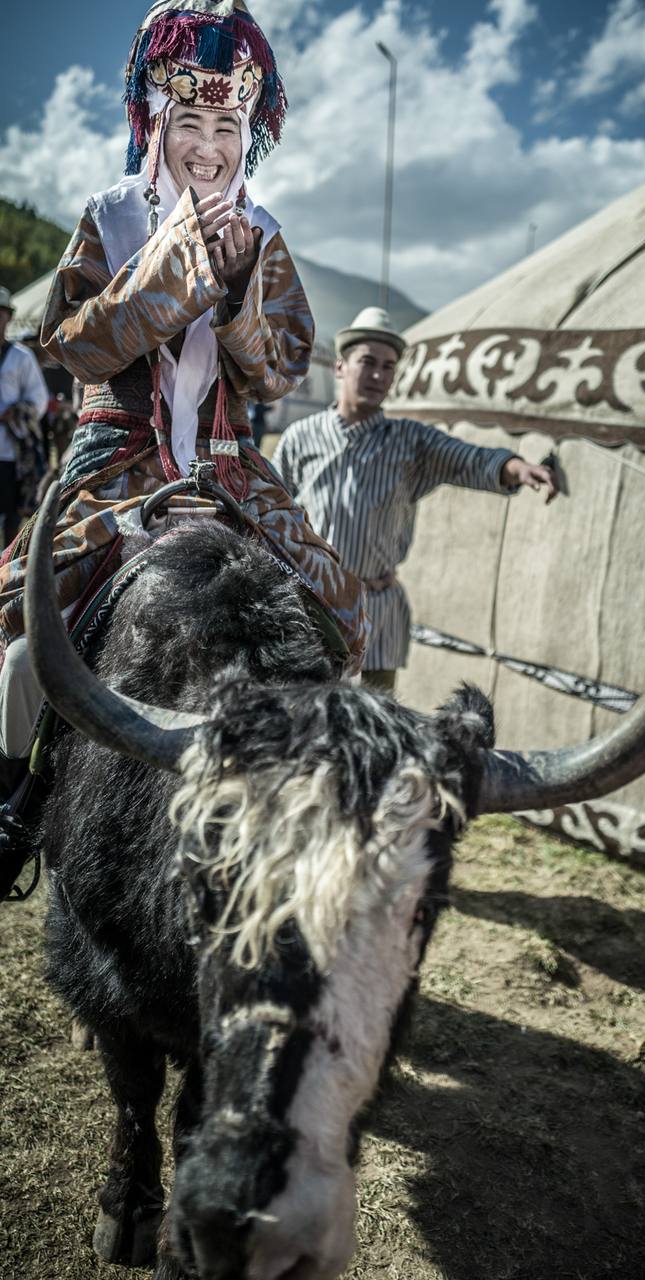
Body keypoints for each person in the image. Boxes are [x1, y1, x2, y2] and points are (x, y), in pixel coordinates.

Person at [0, 0, 367, 898]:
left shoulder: (266, 234)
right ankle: (12, 803)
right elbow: (77, 345)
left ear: (252, 133)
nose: (209, 145)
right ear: (155, 124)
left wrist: (238, 288)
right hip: (113, 458)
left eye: (228, 124)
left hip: (230, 468)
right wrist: (169, 273)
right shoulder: (111, 217)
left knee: (338, 612)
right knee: (17, 636)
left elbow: (279, 371)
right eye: (190, 122)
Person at [275, 307, 559, 692]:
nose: (378, 375)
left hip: (376, 607)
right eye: (367, 362)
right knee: (309, 715)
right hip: (313, 608)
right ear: (340, 367)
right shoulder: (299, 438)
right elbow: (274, 511)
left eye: (388, 367)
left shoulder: (411, 442)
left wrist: (514, 467)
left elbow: (467, 459)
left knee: (378, 724)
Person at [0, 289, 49, 549]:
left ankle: (4, 563)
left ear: (8, 318)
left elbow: (38, 400)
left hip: (9, 450)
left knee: (9, 511)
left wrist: (14, 413)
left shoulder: (21, 357)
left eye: (1, 313)